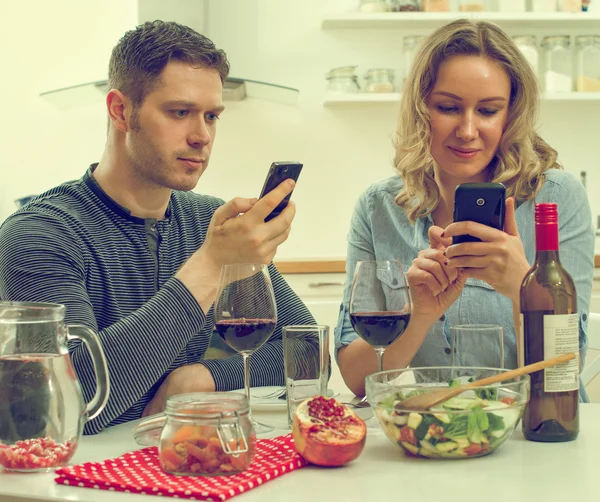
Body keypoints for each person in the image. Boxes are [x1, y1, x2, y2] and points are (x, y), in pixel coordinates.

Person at [0, 21, 317, 434]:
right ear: (120, 110)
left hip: (186, 461)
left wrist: (199, 378)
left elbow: (307, 350)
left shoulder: (207, 221)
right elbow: (70, 403)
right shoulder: (39, 234)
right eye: (180, 112)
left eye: (212, 116)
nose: (202, 136)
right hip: (79, 484)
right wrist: (211, 265)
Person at [335, 19, 594, 399]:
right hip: (439, 431)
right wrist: (418, 313)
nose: (468, 130)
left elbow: (565, 369)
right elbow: (356, 379)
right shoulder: (379, 209)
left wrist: (525, 288)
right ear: (420, 108)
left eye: (488, 110)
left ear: (511, 115)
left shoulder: (556, 198)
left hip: (539, 433)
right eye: (448, 107)